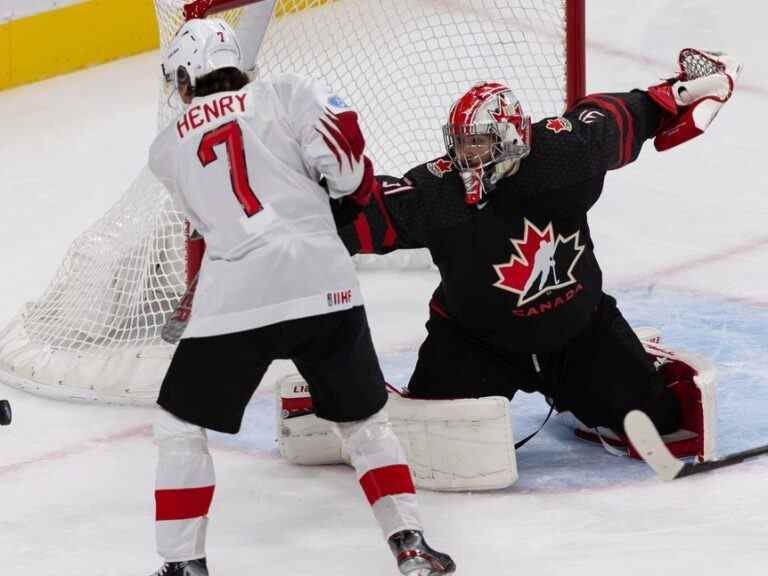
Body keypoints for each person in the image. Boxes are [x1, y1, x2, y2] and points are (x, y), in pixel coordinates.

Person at [148, 18, 454, 576]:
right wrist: (354, 189)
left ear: (188, 77)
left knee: (178, 426)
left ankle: (182, 565)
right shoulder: (286, 92)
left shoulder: (166, 148)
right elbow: (345, 171)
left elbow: (210, 220)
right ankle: (411, 547)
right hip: (323, 284)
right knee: (364, 425)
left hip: (236, 298)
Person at [333, 49, 740, 459]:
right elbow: (368, 214)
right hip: (476, 343)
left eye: (476, 145)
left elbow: (621, 115)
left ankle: (633, 360)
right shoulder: (438, 193)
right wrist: (306, 217)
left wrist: (673, 95)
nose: (463, 158)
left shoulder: (562, 156)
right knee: (435, 446)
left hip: (578, 331)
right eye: (459, 144)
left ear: (509, 140)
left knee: (664, 427)